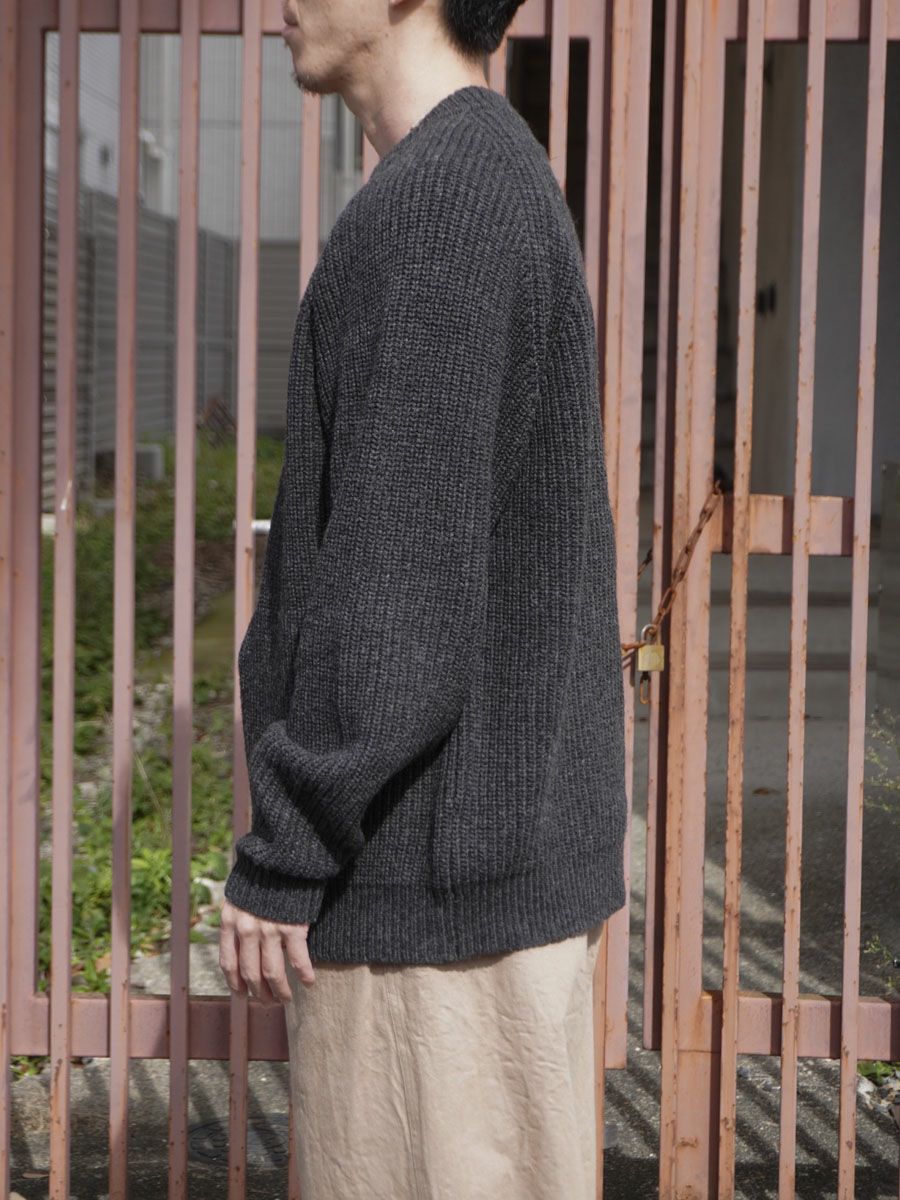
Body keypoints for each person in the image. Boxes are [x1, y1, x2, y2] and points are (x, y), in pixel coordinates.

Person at [218, 0, 628, 1194]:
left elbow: (400, 585)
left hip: (435, 919)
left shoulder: (446, 203)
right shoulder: (470, 178)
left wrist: (288, 849)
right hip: (456, 890)